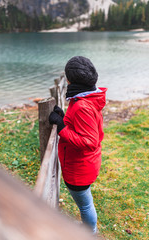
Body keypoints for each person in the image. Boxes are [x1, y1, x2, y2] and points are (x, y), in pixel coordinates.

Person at [49, 56, 107, 234]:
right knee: (85, 201)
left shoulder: (82, 105)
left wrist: (61, 127)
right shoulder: (85, 97)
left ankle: (91, 233)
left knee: (85, 205)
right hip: (82, 164)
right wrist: (64, 116)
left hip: (79, 168)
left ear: (70, 79)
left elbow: (89, 142)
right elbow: (81, 125)